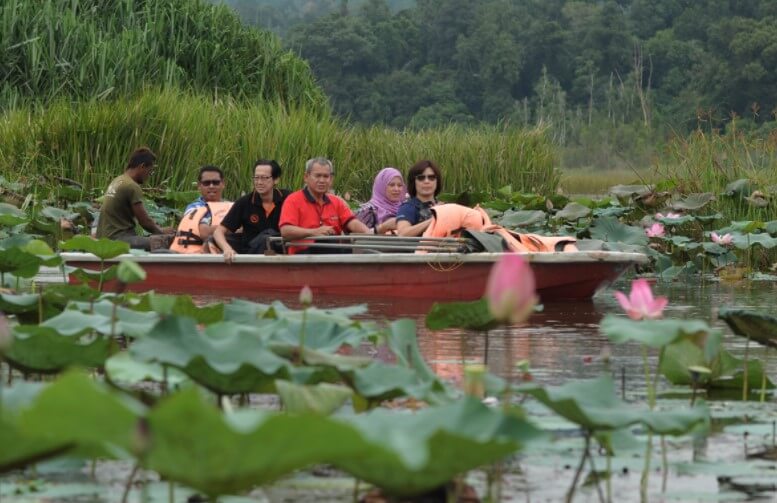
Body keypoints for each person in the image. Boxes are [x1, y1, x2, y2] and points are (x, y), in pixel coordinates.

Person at [279, 157, 370, 254]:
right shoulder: (293, 200)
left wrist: (370, 233)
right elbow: (286, 231)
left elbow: (353, 223)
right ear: (306, 177)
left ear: (331, 179)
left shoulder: (336, 201)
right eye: (317, 176)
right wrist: (314, 232)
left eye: (326, 176)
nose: (322, 180)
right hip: (303, 257)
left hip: (333, 255)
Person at [95, 147, 174, 250]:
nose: (148, 176)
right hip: (118, 239)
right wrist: (162, 232)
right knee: (164, 242)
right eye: (149, 171)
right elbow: (144, 222)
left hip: (104, 237)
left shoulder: (118, 180)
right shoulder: (132, 186)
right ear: (142, 167)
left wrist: (158, 228)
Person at [213, 159, 291, 263]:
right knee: (212, 241)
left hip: (281, 251)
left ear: (276, 179)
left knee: (268, 236)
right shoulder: (244, 202)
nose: (259, 182)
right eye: (256, 178)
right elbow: (219, 231)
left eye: (264, 178)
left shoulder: (289, 199)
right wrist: (227, 249)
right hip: (251, 253)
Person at [169, 165, 231, 253]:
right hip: (197, 256)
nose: (211, 186)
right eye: (206, 183)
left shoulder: (231, 206)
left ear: (223, 184)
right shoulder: (195, 207)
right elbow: (205, 232)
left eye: (216, 182)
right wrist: (233, 228)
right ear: (199, 185)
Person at [396, 159, 442, 237]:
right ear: (413, 182)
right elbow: (402, 234)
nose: (427, 181)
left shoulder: (444, 206)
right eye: (421, 178)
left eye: (431, 177)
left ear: (437, 181)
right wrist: (433, 220)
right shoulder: (407, 208)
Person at [355, 167, 407, 234]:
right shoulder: (368, 211)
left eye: (400, 185)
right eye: (392, 185)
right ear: (381, 186)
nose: (396, 189)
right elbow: (358, 238)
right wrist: (383, 227)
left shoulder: (406, 209)